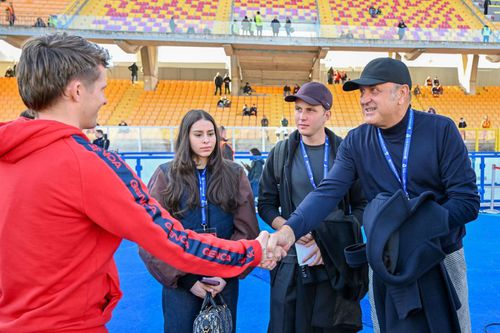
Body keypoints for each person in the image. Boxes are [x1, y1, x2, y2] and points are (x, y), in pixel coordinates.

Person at [0, 32, 273, 333]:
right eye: (102, 88)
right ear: (77, 91)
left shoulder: (8, 155)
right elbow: (168, 239)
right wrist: (252, 251)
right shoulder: (89, 164)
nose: (105, 98)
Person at [267, 58, 479, 333]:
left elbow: (466, 202)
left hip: (441, 255)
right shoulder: (357, 141)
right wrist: (290, 230)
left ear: (402, 93)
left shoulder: (441, 130)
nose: (364, 99)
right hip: (385, 260)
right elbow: (327, 193)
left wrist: (412, 230)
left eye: (374, 90)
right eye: (362, 92)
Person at [259, 82, 367, 332]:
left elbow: (362, 205)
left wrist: (333, 238)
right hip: (292, 258)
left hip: (335, 260)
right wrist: (291, 229)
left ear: (326, 115)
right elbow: (266, 205)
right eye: (298, 109)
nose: (301, 116)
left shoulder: (345, 152)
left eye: (310, 110)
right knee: (285, 325)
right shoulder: (281, 153)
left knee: (333, 327)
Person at [140, 109, 260, 333]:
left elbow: (247, 229)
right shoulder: (165, 175)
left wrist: (225, 272)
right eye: (198, 134)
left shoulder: (234, 174)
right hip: (181, 281)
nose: (206, 140)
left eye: (210, 133)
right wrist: (186, 280)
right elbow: (150, 235)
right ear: (186, 137)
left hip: (224, 278)